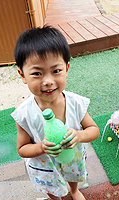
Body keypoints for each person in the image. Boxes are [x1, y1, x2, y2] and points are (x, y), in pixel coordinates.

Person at [11, 26, 100, 200]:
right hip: (44, 163)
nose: (48, 81)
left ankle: (74, 191)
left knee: (73, 174)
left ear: (66, 69)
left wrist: (79, 136)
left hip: (72, 156)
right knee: (51, 185)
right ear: (22, 75)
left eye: (56, 71)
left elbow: (94, 129)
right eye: (37, 73)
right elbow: (22, 148)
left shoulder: (76, 103)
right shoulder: (24, 114)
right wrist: (40, 147)